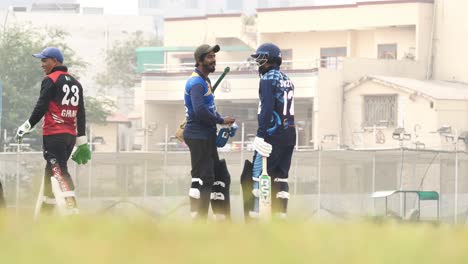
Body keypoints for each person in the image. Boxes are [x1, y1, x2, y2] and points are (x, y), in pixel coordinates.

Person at [16, 47, 91, 216]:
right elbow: (81, 112)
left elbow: (41, 106)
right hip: (69, 137)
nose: (42, 64)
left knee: (59, 172)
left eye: (45, 60)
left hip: (54, 136)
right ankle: (45, 217)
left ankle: (73, 212)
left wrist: (27, 125)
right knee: (50, 173)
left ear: (55, 61)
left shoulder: (50, 79)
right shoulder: (76, 83)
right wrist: (82, 141)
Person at [242, 43, 296, 219]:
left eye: (261, 59)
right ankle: (280, 219)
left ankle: (257, 218)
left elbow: (266, 109)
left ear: (270, 59)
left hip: (271, 136)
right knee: (280, 179)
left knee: (258, 177)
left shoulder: (267, 79)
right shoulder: (287, 79)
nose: (259, 63)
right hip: (289, 135)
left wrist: (260, 134)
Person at [183, 44, 235, 220]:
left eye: (214, 56)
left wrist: (222, 120)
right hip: (198, 135)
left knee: (216, 176)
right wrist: (220, 120)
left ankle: (219, 218)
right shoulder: (196, 83)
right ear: (199, 61)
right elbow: (199, 111)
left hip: (206, 135)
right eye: (210, 57)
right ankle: (199, 222)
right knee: (203, 178)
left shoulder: (205, 80)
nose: (214, 60)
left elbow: (209, 108)